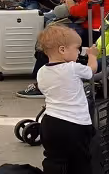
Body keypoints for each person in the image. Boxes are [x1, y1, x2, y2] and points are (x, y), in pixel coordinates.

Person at [37, 25, 98, 174]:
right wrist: (92, 56)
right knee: (80, 161)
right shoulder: (73, 67)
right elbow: (91, 71)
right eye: (77, 48)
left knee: (54, 159)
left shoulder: (41, 71)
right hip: (74, 125)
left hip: (50, 122)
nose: (79, 52)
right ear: (62, 50)